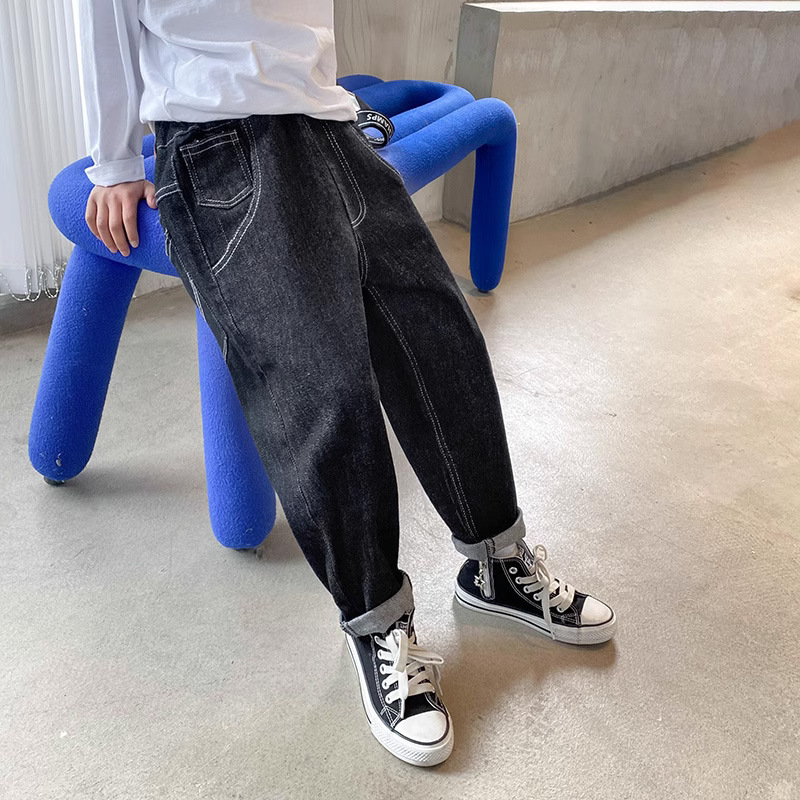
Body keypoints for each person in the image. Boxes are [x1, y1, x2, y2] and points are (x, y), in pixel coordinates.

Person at [79, 0, 617, 768]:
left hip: (327, 123)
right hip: (216, 140)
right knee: (322, 386)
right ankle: (378, 624)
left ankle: (497, 563)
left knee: (442, 339)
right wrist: (114, 164)